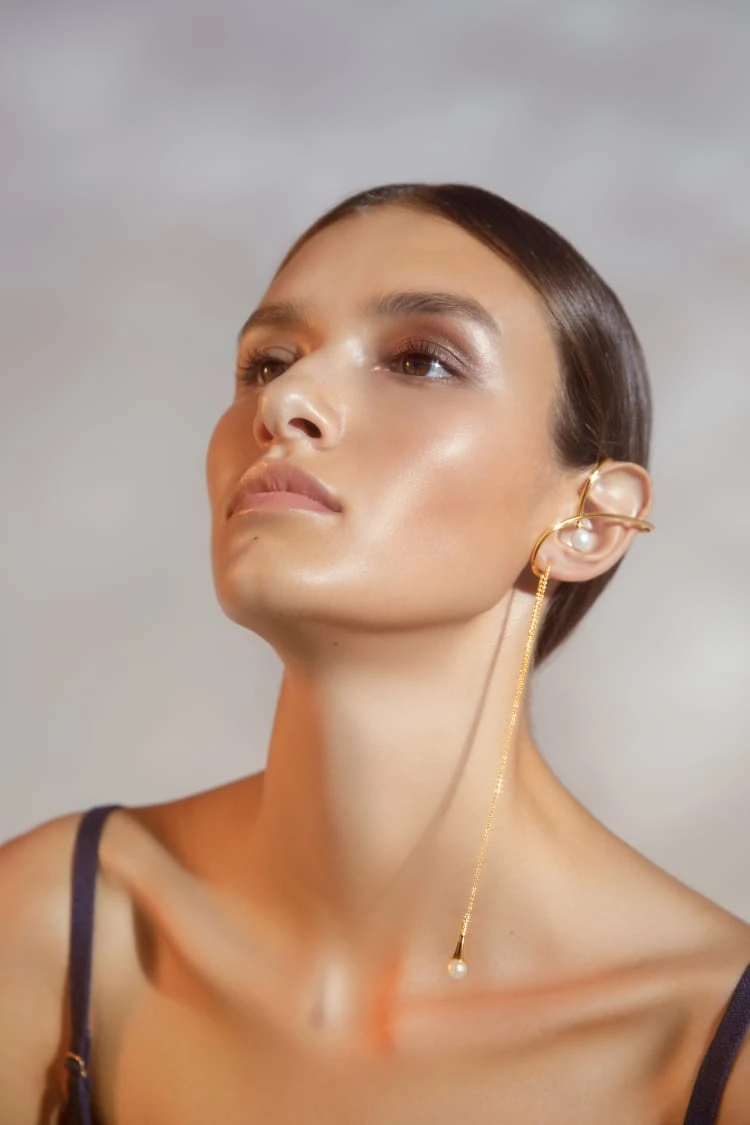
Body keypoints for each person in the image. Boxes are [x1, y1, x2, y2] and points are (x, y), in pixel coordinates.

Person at [0, 183, 748, 1125]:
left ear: (592, 519)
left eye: (421, 361)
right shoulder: (50, 924)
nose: (286, 400)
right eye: (267, 360)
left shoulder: (709, 1040)